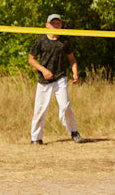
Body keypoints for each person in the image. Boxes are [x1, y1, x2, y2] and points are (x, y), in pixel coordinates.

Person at [28, 13, 84, 145]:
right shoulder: (41, 41)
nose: (56, 25)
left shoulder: (65, 41)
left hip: (60, 78)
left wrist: (75, 73)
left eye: (58, 23)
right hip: (44, 80)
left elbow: (72, 59)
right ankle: (36, 138)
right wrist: (44, 70)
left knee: (65, 107)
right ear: (47, 25)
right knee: (40, 110)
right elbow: (31, 60)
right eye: (53, 23)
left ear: (61, 25)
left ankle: (74, 132)